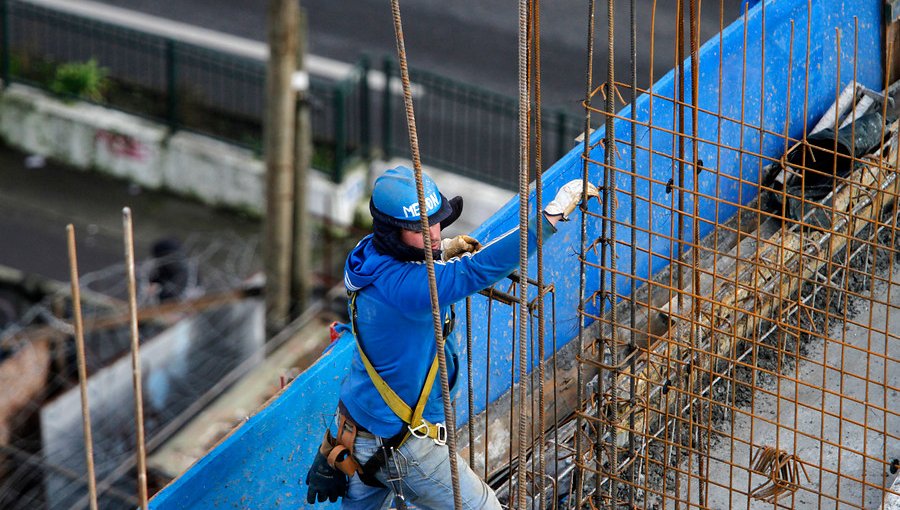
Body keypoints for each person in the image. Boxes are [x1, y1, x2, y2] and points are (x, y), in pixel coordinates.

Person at [306, 165, 597, 509]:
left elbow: (405, 267)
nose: (433, 232)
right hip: (403, 444)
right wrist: (546, 220)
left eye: (436, 221)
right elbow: (475, 270)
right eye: (419, 228)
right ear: (391, 231)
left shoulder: (366, 255)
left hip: (355, 429)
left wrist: (442, 251)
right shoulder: (411, 289)